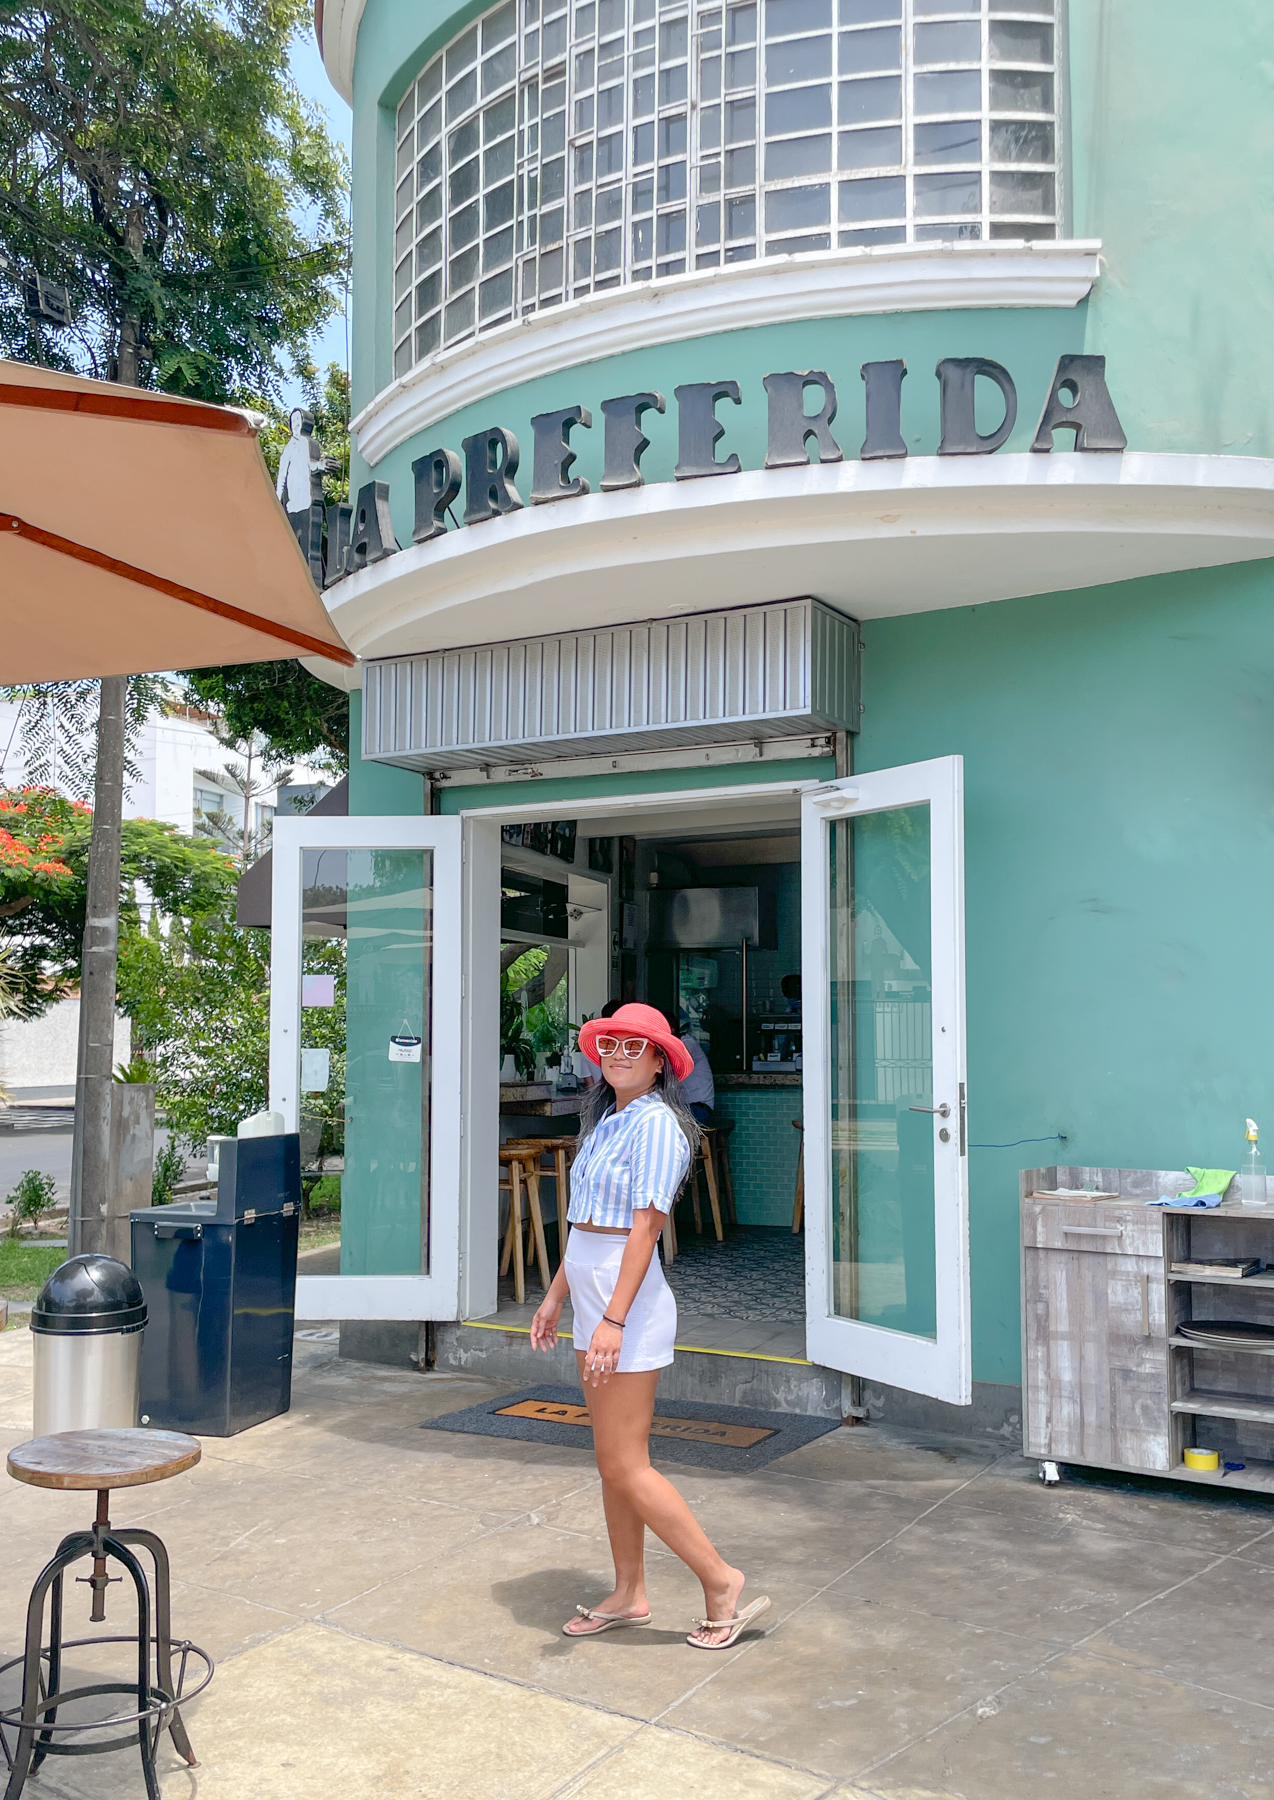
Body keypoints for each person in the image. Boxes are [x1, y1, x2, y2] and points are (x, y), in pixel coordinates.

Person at [531, 1002, 769, 1650]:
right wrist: (557, 1296)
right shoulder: (606, 1119)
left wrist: (611, 1317)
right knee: (612, 1464)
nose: (619, 1055)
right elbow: (583, 1222)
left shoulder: (660, 1124)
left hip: (624, 1306)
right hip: (593, 1296)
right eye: (611, 1045)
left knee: (626, 1463)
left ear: (661, 1060)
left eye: (635, 1048)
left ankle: (721, 1580)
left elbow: (645, 1226)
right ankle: (628, 1590)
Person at [661, 1007, 715, 1126]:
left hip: (697, 1108)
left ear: (671, 1030)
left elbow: (664, 1067)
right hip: (683, 1106)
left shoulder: (687, 1043)